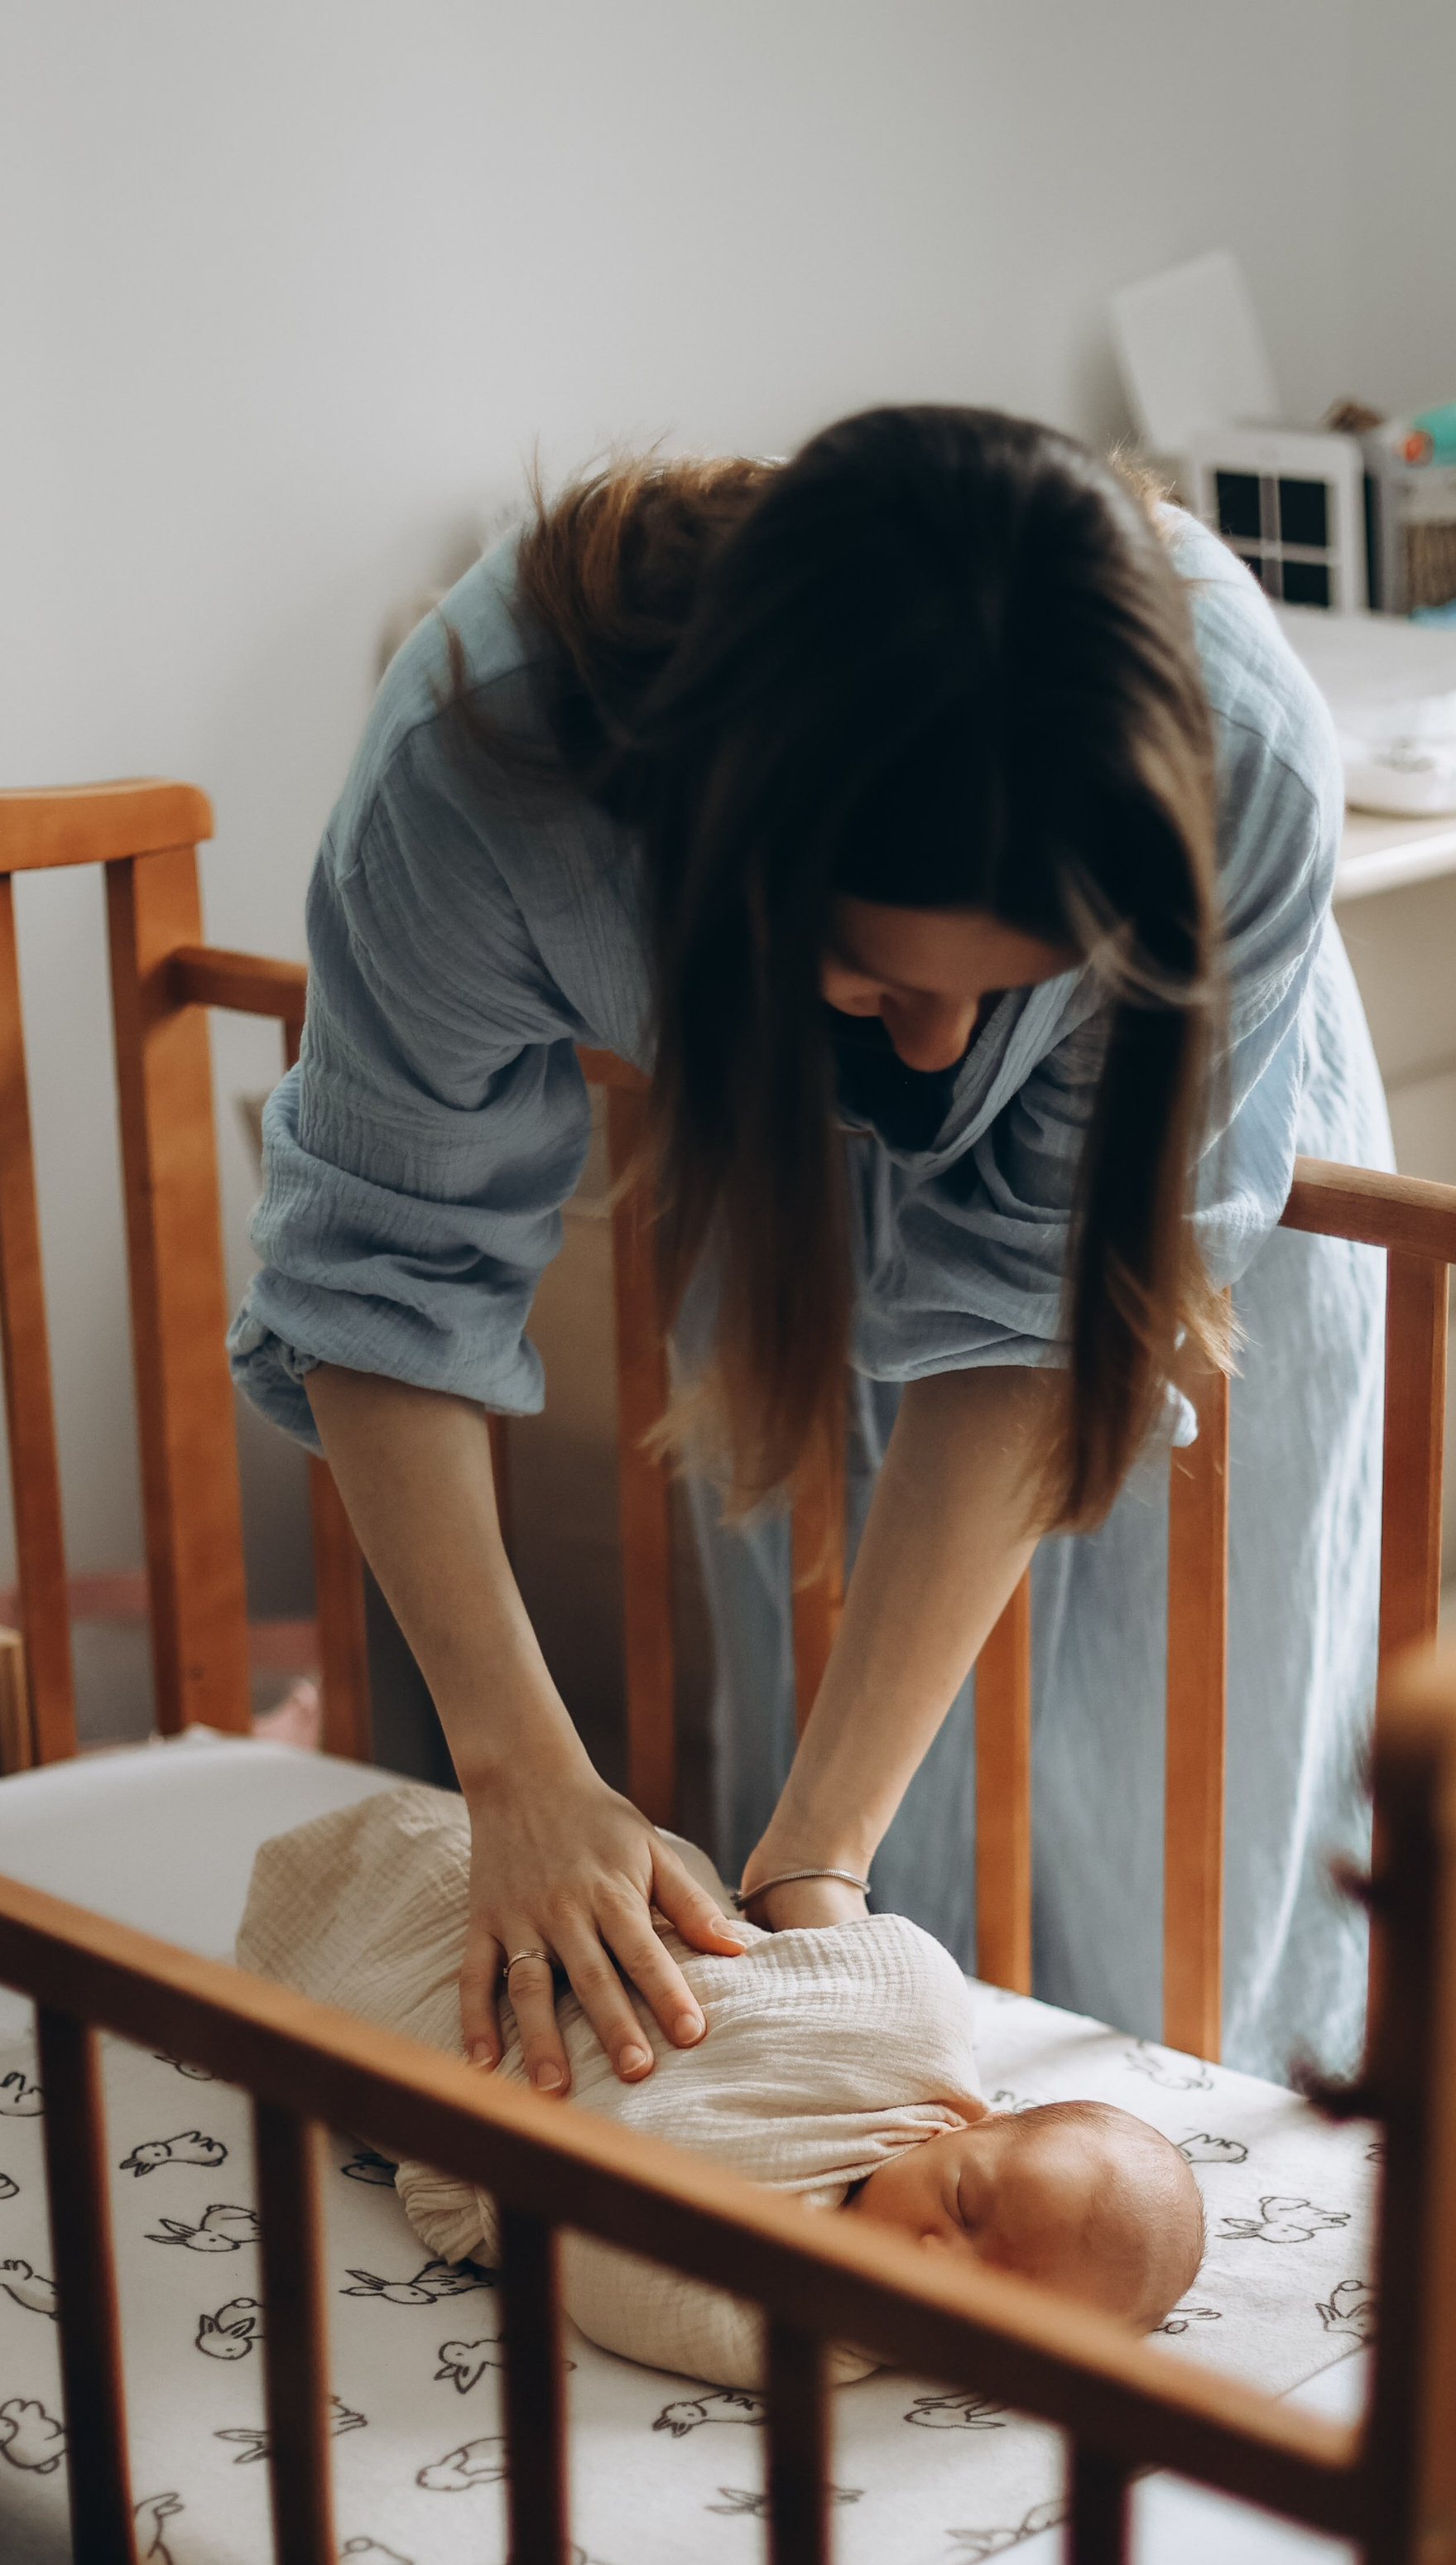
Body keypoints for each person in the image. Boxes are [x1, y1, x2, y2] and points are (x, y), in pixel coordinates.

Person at [230, 406, 1391, 2089]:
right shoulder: (477, 777)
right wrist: (521, 1773)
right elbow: (378, 1274)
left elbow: (1041, 1313)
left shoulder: (1247, 770)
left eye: (1001, 988)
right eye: (875, 982)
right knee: (837, 1764)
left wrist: (812, 1858)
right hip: (770, 1154)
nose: (934, 1056)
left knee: (1186, 1823)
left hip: (1142, 1198)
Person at [235, 1783, 1204, 2387]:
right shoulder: (912, 2043)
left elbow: (622, 2281)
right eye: (964, 2203)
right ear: (975, 2120)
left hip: (453, 2037)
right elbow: (886, 1959)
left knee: (359, 2038)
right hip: (555, 1915)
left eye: (997, 2310)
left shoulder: (802, 2322)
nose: (935, 2259)